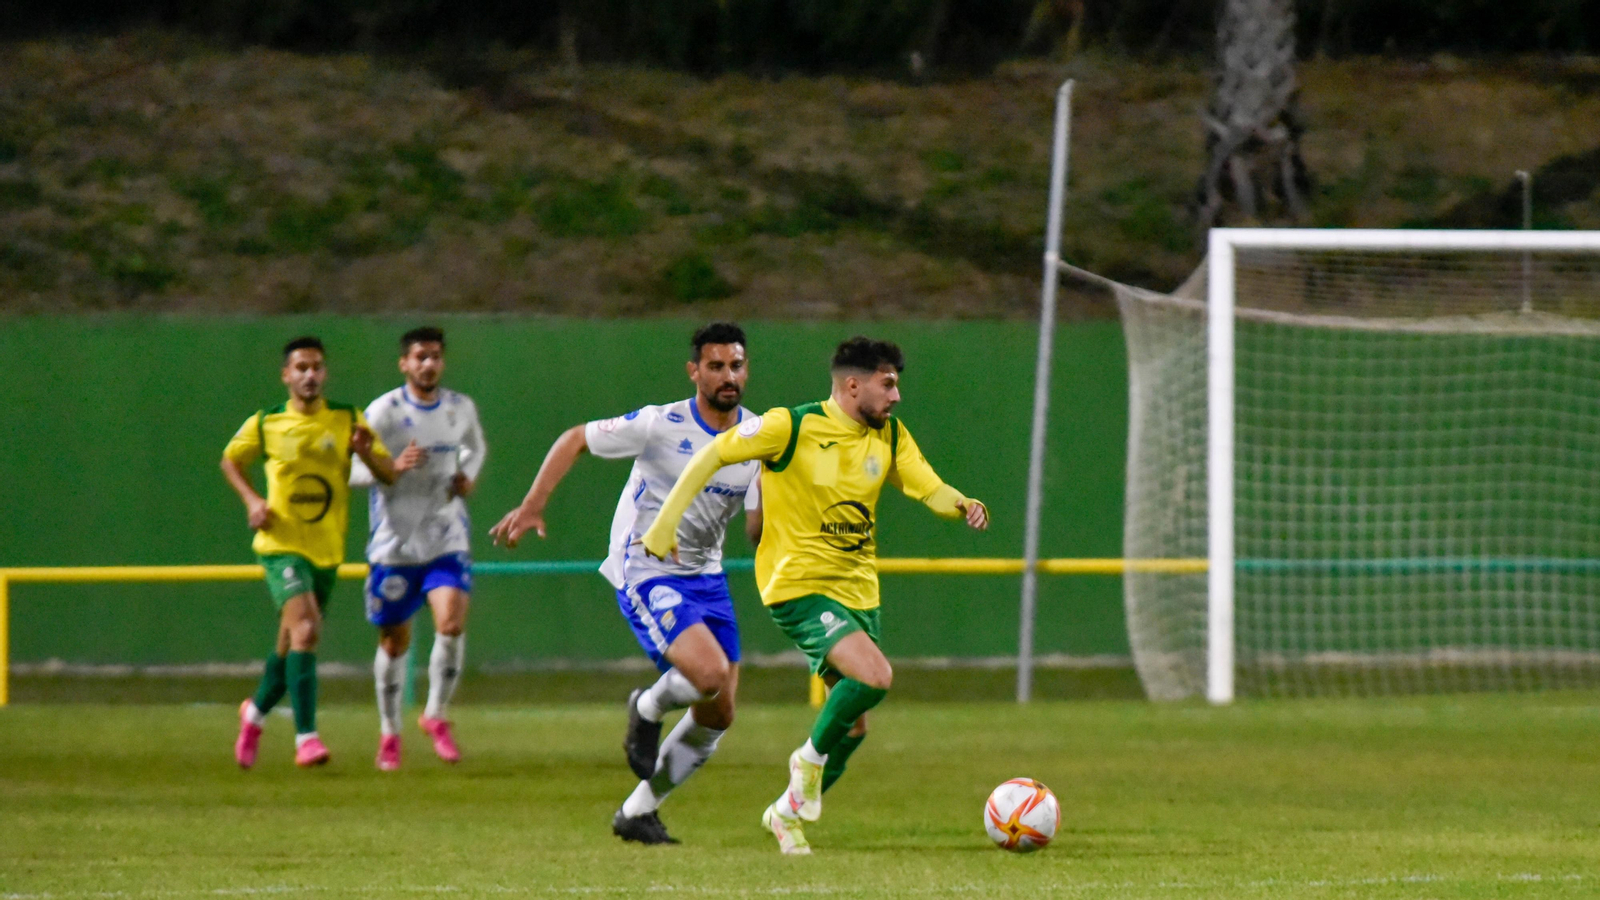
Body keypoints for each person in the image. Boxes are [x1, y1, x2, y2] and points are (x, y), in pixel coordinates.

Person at [640, 335, 989, 855]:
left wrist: (961, 502)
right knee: (875, 676)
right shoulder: (792, 425)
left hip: (858, 592)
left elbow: (926, 486)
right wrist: (665, 526)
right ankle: (805, 762)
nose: (895, 397)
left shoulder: (890, 436)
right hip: (797, 585)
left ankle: (785, 812)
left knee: (852, 730)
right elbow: (713, 453)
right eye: (887, 385)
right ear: (853, 385)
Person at [490, 322, 759, 845]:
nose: (729, 376)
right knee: (707, 674)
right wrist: (533, 505)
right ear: (694, 371)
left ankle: (638, 810)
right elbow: (576, 439)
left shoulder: (756, 437)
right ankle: (647, 707)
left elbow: (756, 526)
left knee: (719, 712)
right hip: (646, 567)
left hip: (706, 575)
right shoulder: (661, 424)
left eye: (737, 365)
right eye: (716, 365)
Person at [222, 336, 423, 769]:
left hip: (326, 552)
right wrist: (253, 502)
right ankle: (307, 739)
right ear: (286, 375)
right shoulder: (266, 423)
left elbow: (387, 475)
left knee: (290, 645)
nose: (309, 375)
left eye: (316, 367)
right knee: (308, 630)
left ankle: (253, 715)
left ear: (324, 373)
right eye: (301, 368)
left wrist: (369, 454)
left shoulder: (347, 419)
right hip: (281, 547)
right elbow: (230, 461)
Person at [351, 326, 487, 771]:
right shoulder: (385, 412)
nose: (428, 364)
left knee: (450, 622)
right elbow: (353, 470)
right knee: (395, 642)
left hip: (446, 537)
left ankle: (435, 716)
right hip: (395, 545)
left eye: (435, 356)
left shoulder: (458, 408)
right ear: (404, 364)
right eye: (419, 357)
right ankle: (390, 734)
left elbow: (476, 448)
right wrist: (389, 465)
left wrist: (468, 475)